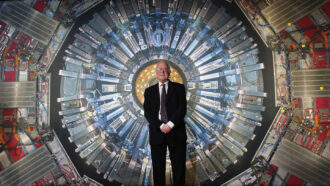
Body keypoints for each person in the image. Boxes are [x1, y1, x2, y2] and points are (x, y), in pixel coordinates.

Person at [143, 61, 187, 186]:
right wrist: (161, 125)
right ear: (156, 72)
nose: (162, 71)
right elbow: (148, 113)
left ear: (169, 72)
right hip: (157, 133)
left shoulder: (179, 88)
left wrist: (170, 124)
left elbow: (182, 109)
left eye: (165, 69)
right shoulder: (149, 91)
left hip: (176, 132)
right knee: (158, 170)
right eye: (160, 69)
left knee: (179, 169)